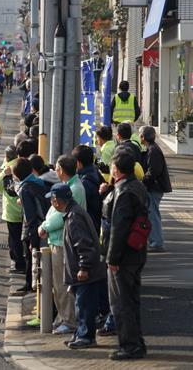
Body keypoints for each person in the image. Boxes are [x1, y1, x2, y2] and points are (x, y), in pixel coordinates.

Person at [46, 184, 105, 349]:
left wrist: (83, 268)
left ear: (57, 201)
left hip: (86, 272)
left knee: (85, 306)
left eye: (51, 199)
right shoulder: (74, 212)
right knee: (81, 305)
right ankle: (80, 334)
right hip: (86, 270)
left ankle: (86, 337)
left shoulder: (74, 217)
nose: (51, 203)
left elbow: (83, 245)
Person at [107, 150, 148, 360]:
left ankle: (129, 346)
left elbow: (118, 228)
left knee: (121, 303)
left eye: (112, 166)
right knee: (132, 300)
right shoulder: (138, 186)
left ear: (116, 169)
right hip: (137, 251)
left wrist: (112, 259)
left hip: (123, 256)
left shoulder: (123, 192)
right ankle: (137, 343)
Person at [38, 155, 86, 333]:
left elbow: (61, 214)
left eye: (57, 168)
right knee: (58, 283)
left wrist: (44, 226)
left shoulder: (74, 188)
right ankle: (63, 317)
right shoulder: (71, 185)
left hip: (62, 240)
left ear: (61, 170)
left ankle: (69, 320)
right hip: (58, 239)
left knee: (62, 283)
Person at [11, 157, 50, 295]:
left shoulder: (24, 189)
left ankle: (30, 285)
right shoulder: (39, 182)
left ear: (16, 175)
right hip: (44, 224)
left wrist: (31, 237)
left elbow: (29, 215)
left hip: (33, 228)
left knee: (31, 257)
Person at [0, 145, 24, 273]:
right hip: (24, 209)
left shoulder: (7, 168)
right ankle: (21, 261)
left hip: (11, 209)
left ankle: (18, 264)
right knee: (23, 238)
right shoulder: (23, 164)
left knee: (14, 238)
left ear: (6, 156)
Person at [139, 126, 172, 252]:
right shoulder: (152, 149)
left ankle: (157, 242)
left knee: (153, 214)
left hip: (155, 187)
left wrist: (143, 181)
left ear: (143, 137)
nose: (139, 137)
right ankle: (154, 240)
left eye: (140, 135)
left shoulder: (153, 150)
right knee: (152, 213)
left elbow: (154, 171)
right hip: (155, 186)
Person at [72, 145, 103, 232]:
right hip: (95, 223)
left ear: (78, 163)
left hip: (88, 226)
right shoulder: (95, 172)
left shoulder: (84, 183)